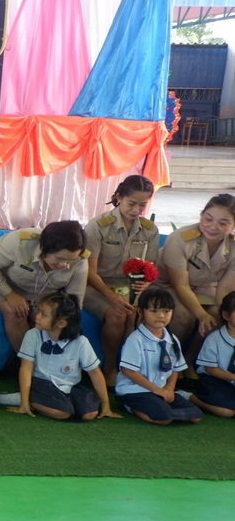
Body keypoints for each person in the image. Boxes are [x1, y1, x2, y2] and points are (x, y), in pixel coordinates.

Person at [83, 175, 159, 382]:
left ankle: (135, 368)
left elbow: (151, 267)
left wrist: (145, 284)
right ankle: (109, 366)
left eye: (142, 205)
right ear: (118, 197)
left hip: (131, 286)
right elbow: (89, 273)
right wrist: (113, 297)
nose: (136, 210)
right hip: (96, 286)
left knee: (141, 315)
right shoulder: (98, 226)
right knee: (117, 314)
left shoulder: (150, 230)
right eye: (131, 203)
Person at [0, 221, 88, 356]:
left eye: (70, 260)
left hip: (43, 294)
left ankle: (49, 361)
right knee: (16, 314)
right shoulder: (19, 242)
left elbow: (74, 300)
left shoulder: (81, 260)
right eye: (59, 258)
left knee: (50, 319)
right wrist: (10, 295)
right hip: (2, 284)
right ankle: (27, 361)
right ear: (45, 247)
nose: (64, 264)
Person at [0, 291, 112, 421]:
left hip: (69, 386)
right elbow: (26, 368)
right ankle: (27, 398)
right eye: (39, 311)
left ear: (61, 323)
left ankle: (53, 403)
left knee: (89, 414)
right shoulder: (33, 335)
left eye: (43, 314)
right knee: (62, 413)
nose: (37, 316)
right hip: (41, 383)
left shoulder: (81, 341)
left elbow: (95, 372)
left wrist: (106, 406)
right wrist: (24, 403)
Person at [155, 193, 235, 355]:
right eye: (208, 219)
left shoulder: (233, 247)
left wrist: (227, 313)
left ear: (233, 225)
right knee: (186, 315)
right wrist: (201, 314)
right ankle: (171, 357)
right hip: (166, 285)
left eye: (223, 223)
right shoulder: (180, 239)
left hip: (202, 288)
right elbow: (180, 285)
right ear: (201, 215)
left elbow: (225, 290)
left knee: (219, 315)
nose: (213, 226)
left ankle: (191, 360)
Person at [114, 288, 202, 425]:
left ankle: (165, 410)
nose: (161, 316)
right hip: (136, 390)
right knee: (164, 418)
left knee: (195, 415)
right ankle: (129, 406)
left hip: (160, 391)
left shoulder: (172, 340)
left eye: (166, 311)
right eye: (154, 311)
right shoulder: (136, 339)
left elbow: (175, 369)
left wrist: (169, 389)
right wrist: (155, 389)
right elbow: (128, 371)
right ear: (141, 312)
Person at [191, 291, 235, 419]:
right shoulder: (215, 338)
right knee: (226, 412)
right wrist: (233, 377)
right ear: (226, 315)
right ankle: (191, 398)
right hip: (215, 381)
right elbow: (210, 369)